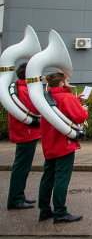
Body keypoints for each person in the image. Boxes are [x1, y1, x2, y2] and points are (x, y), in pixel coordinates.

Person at [37, 72, 88, 223]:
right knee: (62, 178)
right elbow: (80, 117)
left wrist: (75, 101)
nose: (68, 83)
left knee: (48, 176)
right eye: (66, 81)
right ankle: (60, 212)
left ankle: (44, 210)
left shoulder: (44, 97)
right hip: (64, 142)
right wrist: (83, 109)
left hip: (49, 141)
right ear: (61, 83)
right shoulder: (66, 97)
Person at [7, 63, 41, 211]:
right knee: (21, 167)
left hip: (24, 132)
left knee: (22, 166)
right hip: (26, 132)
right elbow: (36, 108)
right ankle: (15, 199)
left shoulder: (18, 88)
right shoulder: (25, 91)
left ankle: (19, 195)